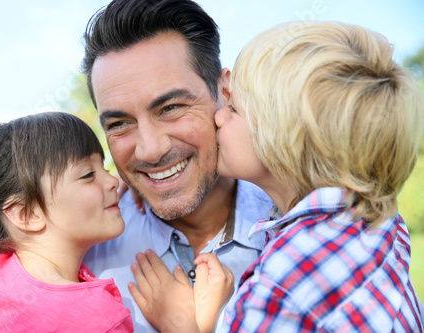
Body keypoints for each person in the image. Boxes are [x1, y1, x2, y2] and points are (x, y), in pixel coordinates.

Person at [131, 21, 424, 332]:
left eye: (234, 109)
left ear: (282, 138)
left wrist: (186, 327)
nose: (219, 115)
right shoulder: (380, 223)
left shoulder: (284, 279)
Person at [81, 0, 274, 331]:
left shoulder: (303, 225)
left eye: (170, 107)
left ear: (225, 91)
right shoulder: (85, 255)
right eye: (119, 124)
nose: (150, 151)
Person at [0, 112, 134, 332]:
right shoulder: (95, 319)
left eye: (105, 168)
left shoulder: (2, 270)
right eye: (88, 174)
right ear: (26, 214)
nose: (112, 181)